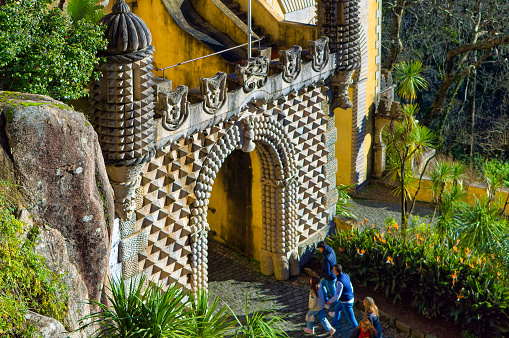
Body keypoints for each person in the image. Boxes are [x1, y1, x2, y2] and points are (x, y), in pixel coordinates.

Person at [326, 264, 358, 329]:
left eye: (333, 269)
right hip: (347, 299)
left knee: (352, 319)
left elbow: (337, 296)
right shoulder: (346, 275)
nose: (333, 271)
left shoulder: (339, 282)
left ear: (336, 271)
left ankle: (358, 332)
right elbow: (351, 286)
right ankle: (334, 324)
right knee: (337, 308)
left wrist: (329, 301)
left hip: (346, 302)